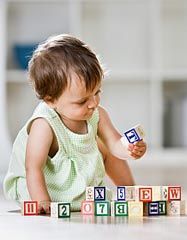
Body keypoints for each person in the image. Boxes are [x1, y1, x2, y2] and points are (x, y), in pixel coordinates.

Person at [3, 34, 147, 212]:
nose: (94, 103)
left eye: (97, 92)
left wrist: (129, 149)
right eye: (82, 101)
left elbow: (115, 144)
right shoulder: (44, 124)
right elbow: (33, 168)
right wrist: (42, 203)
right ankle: (51, 200)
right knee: (39, 185)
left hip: (76, 179)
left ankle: (132, 193)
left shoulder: (97, 114)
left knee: (104, 147)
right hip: (43, 186)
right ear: (51, 101)